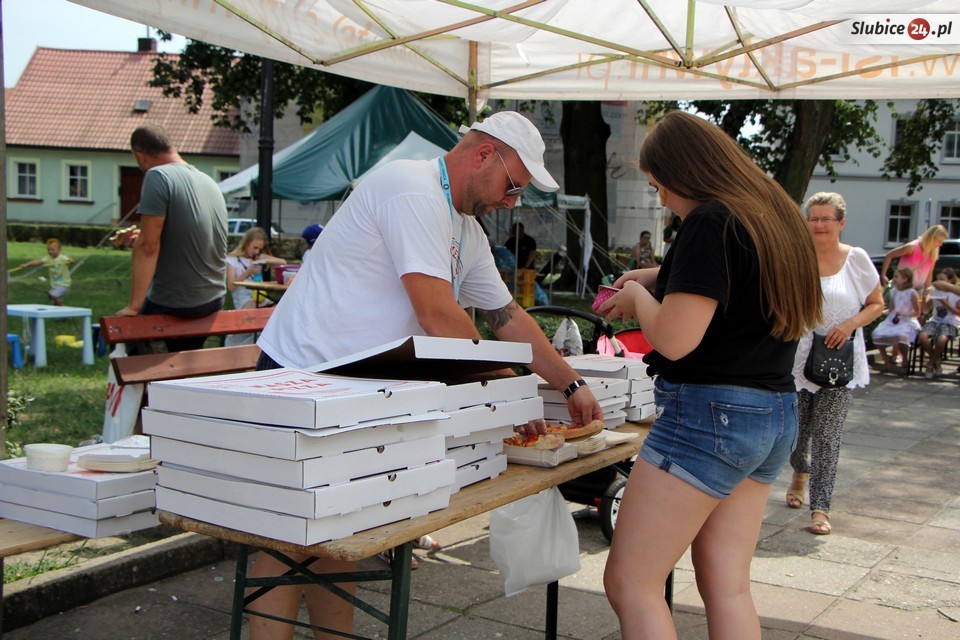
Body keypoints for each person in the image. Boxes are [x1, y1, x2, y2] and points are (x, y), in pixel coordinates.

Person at [252, 110, 603, 640]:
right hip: (298, 376)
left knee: (339, 534)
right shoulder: (412, 189)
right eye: (513, 187)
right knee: (287, 542)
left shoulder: (466, 229)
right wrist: (510, 393)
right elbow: (438, 316)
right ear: (483, 154)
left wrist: (570, 384)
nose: (512, 203)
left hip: (351, 387)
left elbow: (508, 318)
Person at [596, 111, 822, 640]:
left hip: (710, 416)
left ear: (682, 173)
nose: (662, 201)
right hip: (773, 413)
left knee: (631, 583)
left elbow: (675, 339)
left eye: (659, 186)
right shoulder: (773, 212)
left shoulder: (708, 219)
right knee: (728, 586)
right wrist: (657, 277)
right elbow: (736, 280)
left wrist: (638, 297)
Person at [784, 193, 883, 537]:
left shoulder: (856, 259)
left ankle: (820, 507)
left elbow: (876, 303)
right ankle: (800, 471)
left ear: (841, 223)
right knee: (794, 435)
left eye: (826, 218)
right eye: (813, 218)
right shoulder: (797, 257)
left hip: (838, 362)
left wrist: (850, 324)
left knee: (827, 436)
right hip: (798, 360)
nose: (819, 225)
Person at [116, 124, 228, 352]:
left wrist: (133, 307)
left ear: (140, 156)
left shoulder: (158, 176)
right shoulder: (207, 180)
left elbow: (148, 247)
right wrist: (141, 238)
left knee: (132, 349)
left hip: (179, 301)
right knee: (177, 359)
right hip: (214, 298)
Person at [224, 227, 286, 346]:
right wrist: (247, 272)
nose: (256, 252)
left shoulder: (258, 258)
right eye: (255, 247)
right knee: (259, 311)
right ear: (247, 242)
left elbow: (283, 262)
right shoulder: (233, 260)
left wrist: (266, 261)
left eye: (259, 249)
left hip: (261, 297)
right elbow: (231, 287)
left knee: (278, 309)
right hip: (244, 300)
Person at [871, 267, 922, 375]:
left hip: (907, 320)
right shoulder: (894, 291)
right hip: (893, 319)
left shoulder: (912, 292)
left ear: (905, 279)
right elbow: (891, 309)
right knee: (876, 333)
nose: (894, 279)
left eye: (896, 277)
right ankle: (886, 360)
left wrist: (905, 313)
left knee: (901, 336)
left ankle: (905, 361)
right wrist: (881, 312)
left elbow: (917, 312)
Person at [879, 224, 948, 293]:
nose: (940, 244)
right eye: (939, 241)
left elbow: (929, 274)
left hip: (918, 290)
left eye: (942, 242)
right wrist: (883, 275)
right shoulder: (912, 247)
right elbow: (889, 255)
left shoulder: (933, 251)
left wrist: (926, 291)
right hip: (901, 289)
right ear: (931, 238)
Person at [918, 268, 959, 378]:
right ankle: (936, 360)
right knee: (922, 336)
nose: (938, 282)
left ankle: (931, 364)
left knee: (941, 339)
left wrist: (946, 304)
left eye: (942, 279)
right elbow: (925, 310)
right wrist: (924, 298)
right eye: (937, 279)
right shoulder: (935, 292)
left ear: (950, 281)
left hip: (950, 322)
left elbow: (958, 313)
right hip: (935, 321)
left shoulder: (956, 294)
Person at [19, 238, 74, 305]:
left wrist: (70, 260)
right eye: (49, 250)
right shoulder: (48, 258)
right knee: (53, 300)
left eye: (53, 250)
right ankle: (59, 307)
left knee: (53, 295)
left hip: (64, 284)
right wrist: (27, 264)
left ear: (59, 250)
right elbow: (38, 261)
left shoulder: (62, 257)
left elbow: (69, 260)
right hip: (54, 285)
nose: (50, 252)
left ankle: (62, 307)